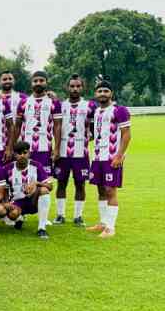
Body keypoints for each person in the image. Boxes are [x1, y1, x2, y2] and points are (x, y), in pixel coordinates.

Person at [86, 78, 131, 238]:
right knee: (100, 190)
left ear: (111, 93)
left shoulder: (120, 110)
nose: (102, 93)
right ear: (95, 94)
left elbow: (126, 135)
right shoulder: (97, 112)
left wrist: (119, 156)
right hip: (98, 157)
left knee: (110, 190)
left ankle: (111, 228)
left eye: (106, 91)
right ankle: (103, 223)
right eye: (100, 91)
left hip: (112, 157)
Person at [54, 74, 96, 226]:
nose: (75, 89)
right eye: (72, 86)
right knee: (61, 183)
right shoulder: (60, 105)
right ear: (67, 87)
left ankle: (78, 216)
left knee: (80, 184)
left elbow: (94, 128)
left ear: (82, 87)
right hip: (62, 153)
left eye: (78, 86)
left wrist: (87, 137)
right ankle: (60, 215)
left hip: (81, 153)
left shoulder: (90, 106)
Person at [14, 70, 62, 177]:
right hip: (25, 150)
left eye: (41, 80)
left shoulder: (54, 102)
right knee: (25, 179)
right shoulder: (23, 103)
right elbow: (17, 127)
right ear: (31, 83)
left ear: (46, 82)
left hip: (45, 149)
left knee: (45, 181)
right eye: (35, 81)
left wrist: (57, 148)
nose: (38, 83)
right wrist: (13, 147)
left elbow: (58, 126)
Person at [4, 141, 53, 240]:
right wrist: (6, 203)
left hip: (33, 200)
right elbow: (3, 189)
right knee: (12, 214)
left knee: (44, 190)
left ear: (29, 153)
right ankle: (19, 218)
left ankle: (41, 228)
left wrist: (36, 183)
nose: (22, 155)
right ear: (14, 154)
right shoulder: (7, 169)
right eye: (19, 153)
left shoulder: (36, 166)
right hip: (17, 202)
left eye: (25, 152)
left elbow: (50, 186)